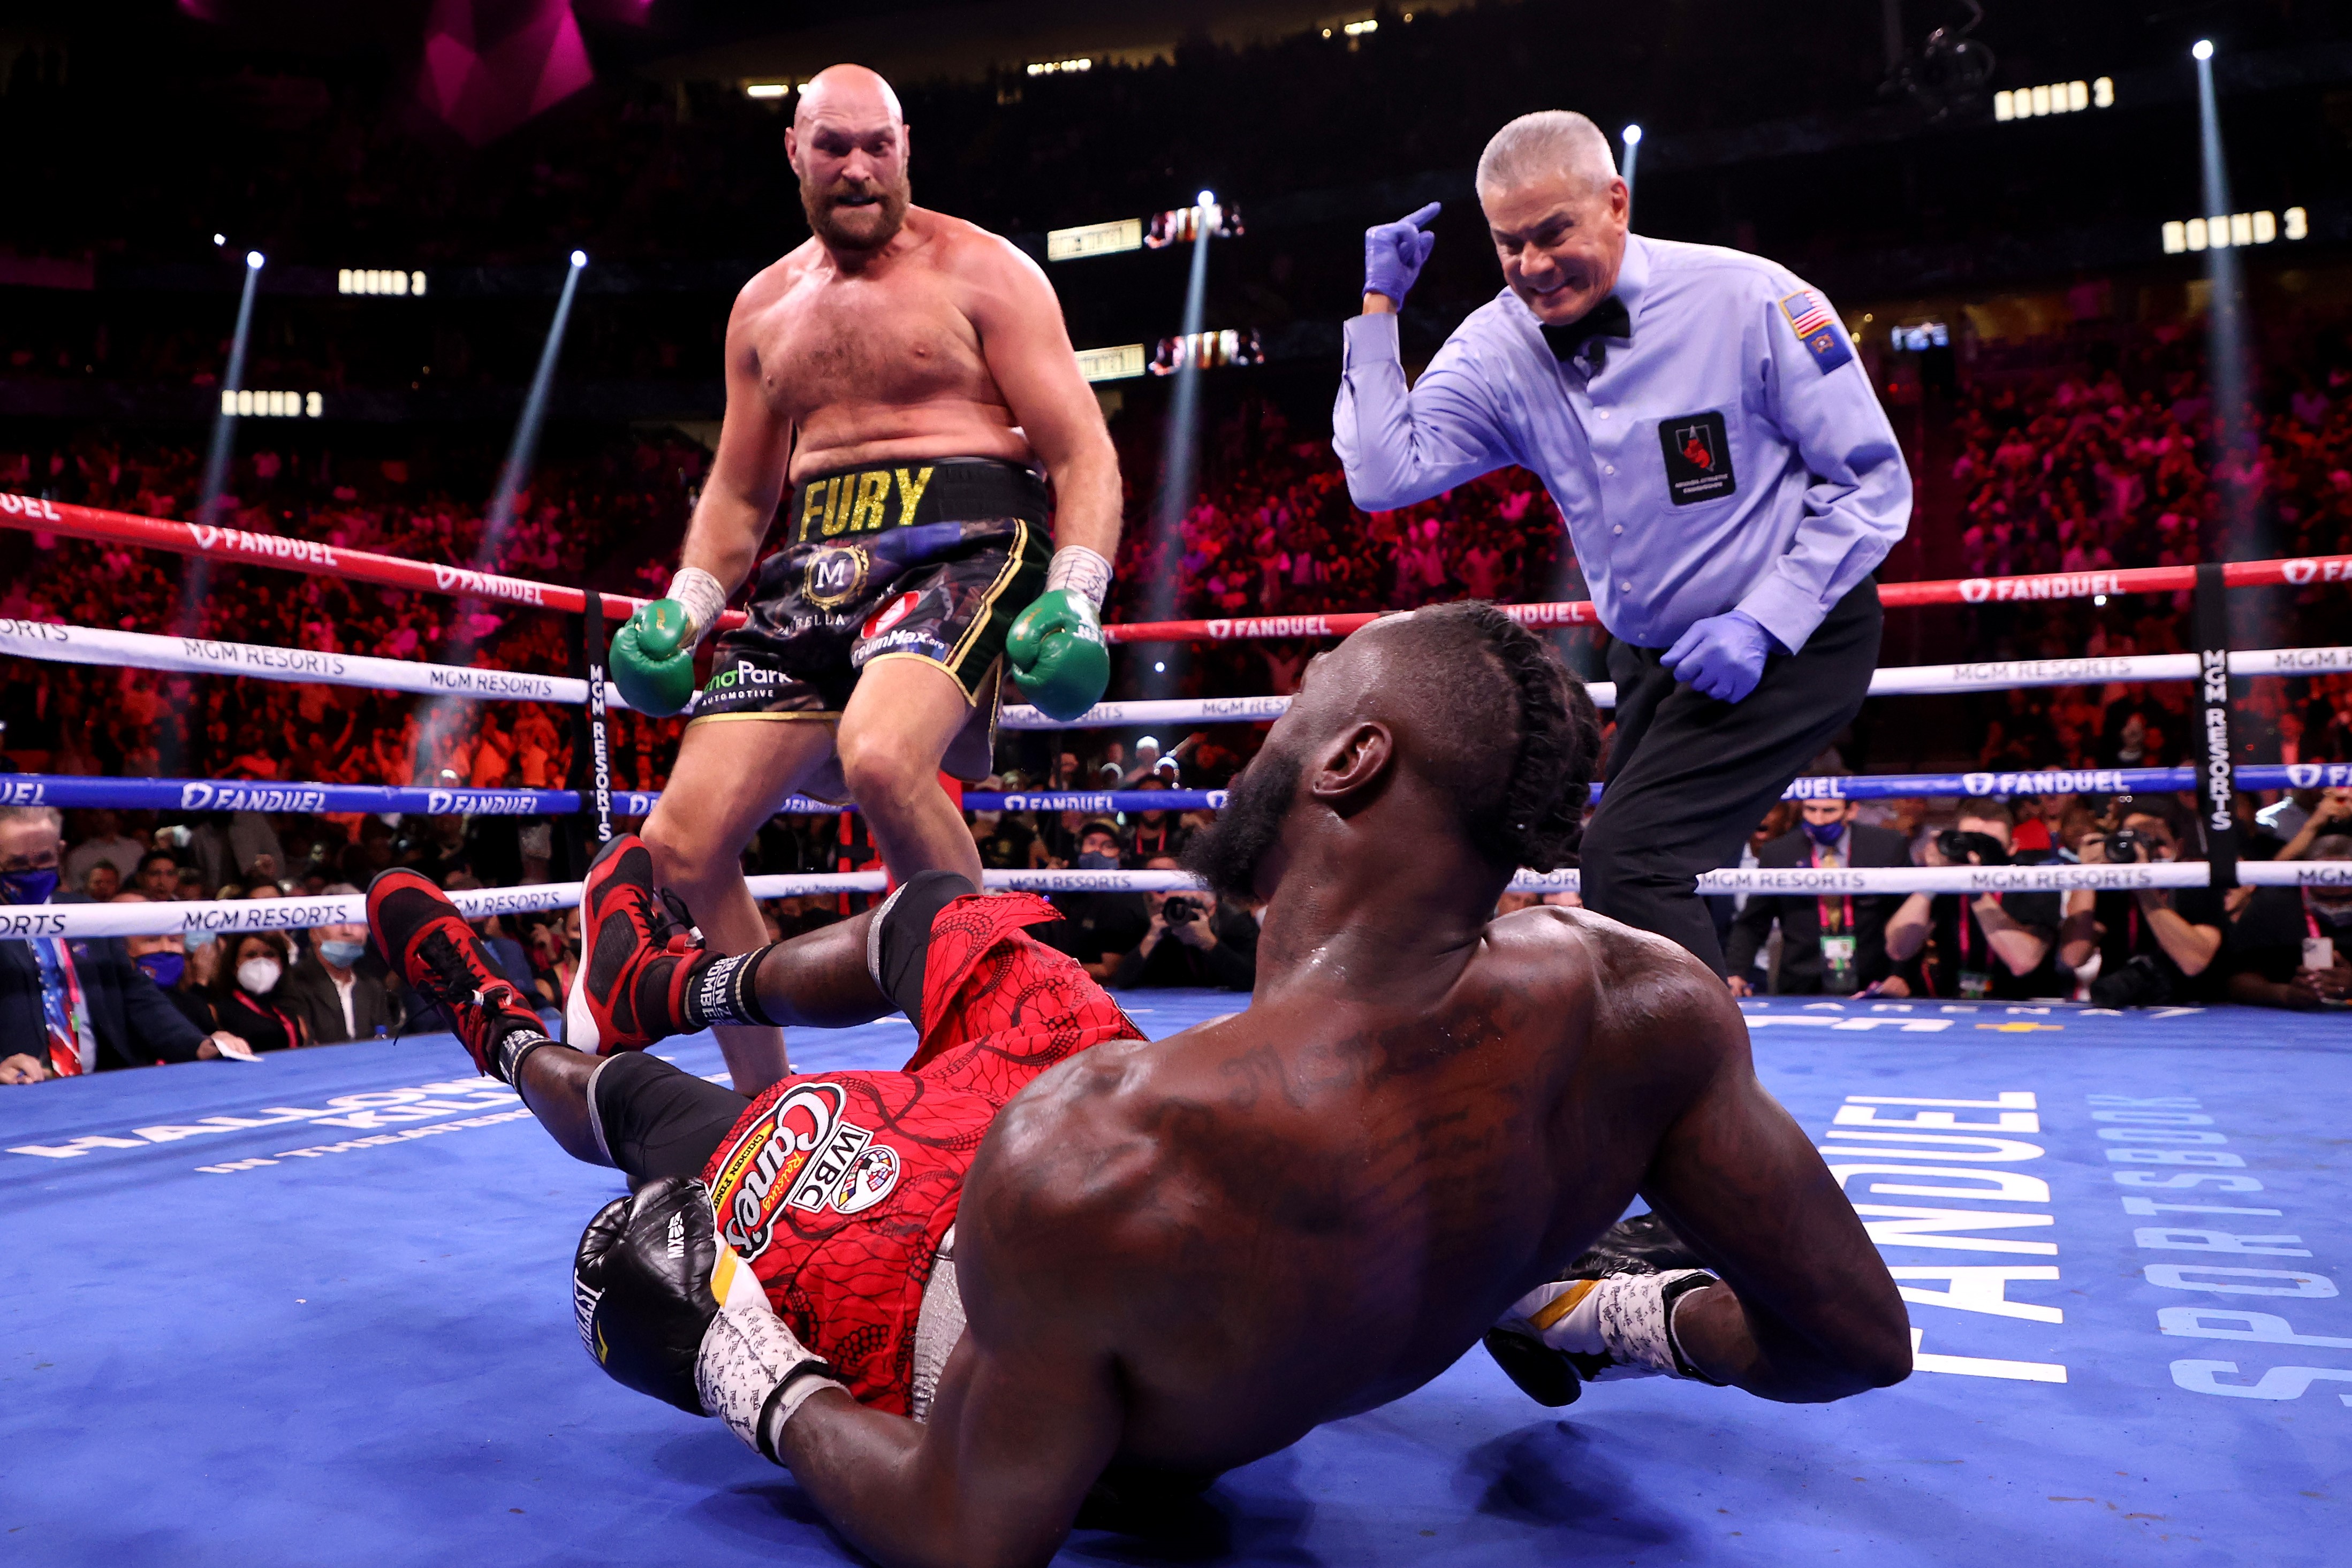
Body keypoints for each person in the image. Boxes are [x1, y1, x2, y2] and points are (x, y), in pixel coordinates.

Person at [365, 603, 1908, 1566]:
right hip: (1137, 1144)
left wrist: (732, 1364)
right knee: (958, 924)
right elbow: (1853, 1339)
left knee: (667, 1124)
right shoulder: (1644, 1003)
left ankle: (517, 1034)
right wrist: (1613, 1303)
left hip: (952, 1287)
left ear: (1351, 762)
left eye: (1299, 701)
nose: (1266, 727)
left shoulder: (1105, 1159)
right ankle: (684, 979)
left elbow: (969, 1533)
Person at [607, 64, 1123, 1097]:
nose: (855, 167)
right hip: (812, 567)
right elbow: (741, 499)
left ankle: (999, 1064)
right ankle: (761, 1108)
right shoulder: (761, 309)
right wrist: (687, 604)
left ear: (904, 148)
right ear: (793, 152)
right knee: (677, 846)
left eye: (874, 146)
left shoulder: (986, 269)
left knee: (884, 759)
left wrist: (1074, 592)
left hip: (964, 538)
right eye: (832, 146)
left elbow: (1082, 452)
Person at [1333, 110, 1909, 976]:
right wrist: (1380, 309)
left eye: (1551, 233)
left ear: (1614, 202)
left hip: (1799, 629)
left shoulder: (1751, 300)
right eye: (1507, 244)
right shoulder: (1498, 345)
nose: (1531, 265)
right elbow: (1382, 475)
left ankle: (1705, 1104)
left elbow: (1872, 481)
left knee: (1632, 865)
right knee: (1605, 881)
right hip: (1650, 654)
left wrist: (1761, 621)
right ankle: (1643, 1088)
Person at [0, 806, 242, 1081]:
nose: (33, 871)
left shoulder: (88, 914)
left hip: (106, 1082)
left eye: (44, 859)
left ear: (61, 851)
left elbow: (132, 990)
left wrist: (196, 1043)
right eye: (18, 863)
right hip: (20, 1091)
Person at [1726, 794, 1911, 996]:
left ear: (1852, 810)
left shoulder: (1886, 846)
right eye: (1811, 810)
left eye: (1829, 811)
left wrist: (1900, 974)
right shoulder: (1779, 853)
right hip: (1800, 982)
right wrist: (1736, 973)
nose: (1818, 820)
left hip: (1874, 981)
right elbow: (1754, 920)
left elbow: (1911, 915)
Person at [1883, 802, 2064, 1000]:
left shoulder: (2034, 880)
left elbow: (2023, 961)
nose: (1975, 854)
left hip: (2024, 1004)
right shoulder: (1946, 879)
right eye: (1969, 842)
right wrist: (1932, 879)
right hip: (1955, 1006)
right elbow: (1898, 949)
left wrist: (1975, 889)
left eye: (1988, 844)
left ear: (2012, 848)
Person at [2058, 801, 2229, 1008]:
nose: (2146, 850)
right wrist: (2088, 875)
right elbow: (2073, 956)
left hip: (2190, 1007)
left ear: (2179, 846)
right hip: (2119, 1008)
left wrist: (2144, 887)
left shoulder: (2195, 884)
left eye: (2157, 841)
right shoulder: (2112, 887)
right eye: (2133, 839)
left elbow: (2194, 962)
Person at [2225, 832, 2352, 1009]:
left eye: (2343, 899)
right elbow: (2237, 980)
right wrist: (2283, 993)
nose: (2333, 905)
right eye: (2323, 896)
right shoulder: (2273, 904)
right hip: (2283, 1021)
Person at [1106, 856, 1255, 992]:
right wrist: (1152, 938)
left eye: (1192, 904)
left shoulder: (1233, 924)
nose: (1182, 911)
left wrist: (1209, 943)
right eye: (1176, 904)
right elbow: (1123, 982)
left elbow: (1250, 981)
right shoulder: (1160, 926)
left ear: (1211, 908)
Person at [279, 887, 400, 1045]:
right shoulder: (293, 983)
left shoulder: (373, 988)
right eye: (337, 921)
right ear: (314, 933)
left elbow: (388, 1043)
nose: (347, 931)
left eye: (356, 922)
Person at [1034, 819, 1144, 981]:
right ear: (1080, 850)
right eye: (1091, 843)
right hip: (1070, 987)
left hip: (1106, 993)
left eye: (1108, 846)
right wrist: (1048, 883)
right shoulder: (1071, 895)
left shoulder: (1121, 902)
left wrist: (1054, 970)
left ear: (1121, 855)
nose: (1097, 851)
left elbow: (1109, 971)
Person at [201, 931, 309, 1053]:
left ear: (282, 964)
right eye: (251, 955)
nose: (261, 962)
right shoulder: (217, 1010)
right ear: (234, 966)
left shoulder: (294, 1005)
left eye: (270, 954)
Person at [62, 809, 145, 889]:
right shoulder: (77, 856)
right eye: (95, 813)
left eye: (106, 812)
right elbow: (75, 892)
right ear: (89, 817)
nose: (101, 817)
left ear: (115, 815)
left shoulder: (135, 848)